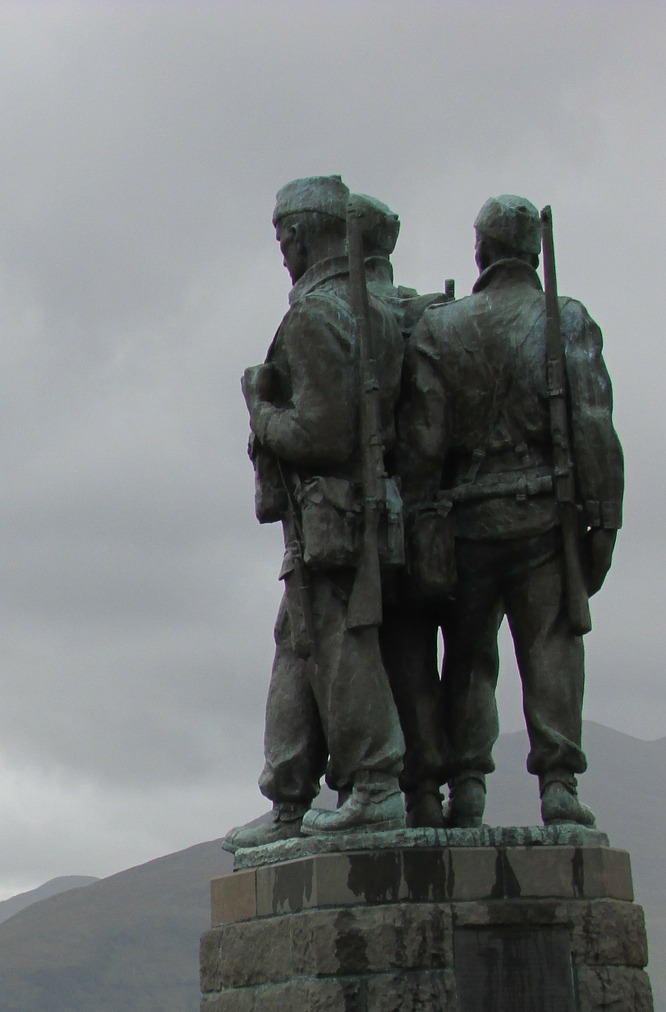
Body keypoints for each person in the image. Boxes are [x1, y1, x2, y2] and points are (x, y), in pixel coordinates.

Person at [396, 195, 624, 826]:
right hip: (543, 520)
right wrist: (603, 522)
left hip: (466, 522)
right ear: (535, 252)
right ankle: (558, 781)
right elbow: (593, 428)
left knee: (468, 657)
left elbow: (422, 443)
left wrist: (419, 522)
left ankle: (466, 787)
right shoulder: (564, 320)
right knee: (551, 645)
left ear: (481, 252)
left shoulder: (442, 329)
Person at [227, 175, 407, 850]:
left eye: (283, 238)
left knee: (336, 642)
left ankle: (373, 785)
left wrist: (259, 409)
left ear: (303, 234)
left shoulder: (314, 316)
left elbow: (320, 435)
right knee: (303, 642)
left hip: (330, 509)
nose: (282, 252)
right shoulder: (381, 306)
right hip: (365, 504)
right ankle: (290, 799)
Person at [356, 193, 452, 828]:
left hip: (370, 515)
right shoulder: (428, 316)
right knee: (416, 660)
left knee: (358, 651)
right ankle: (425, 794)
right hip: (430, 515)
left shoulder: (351, 314)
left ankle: (370, 790)